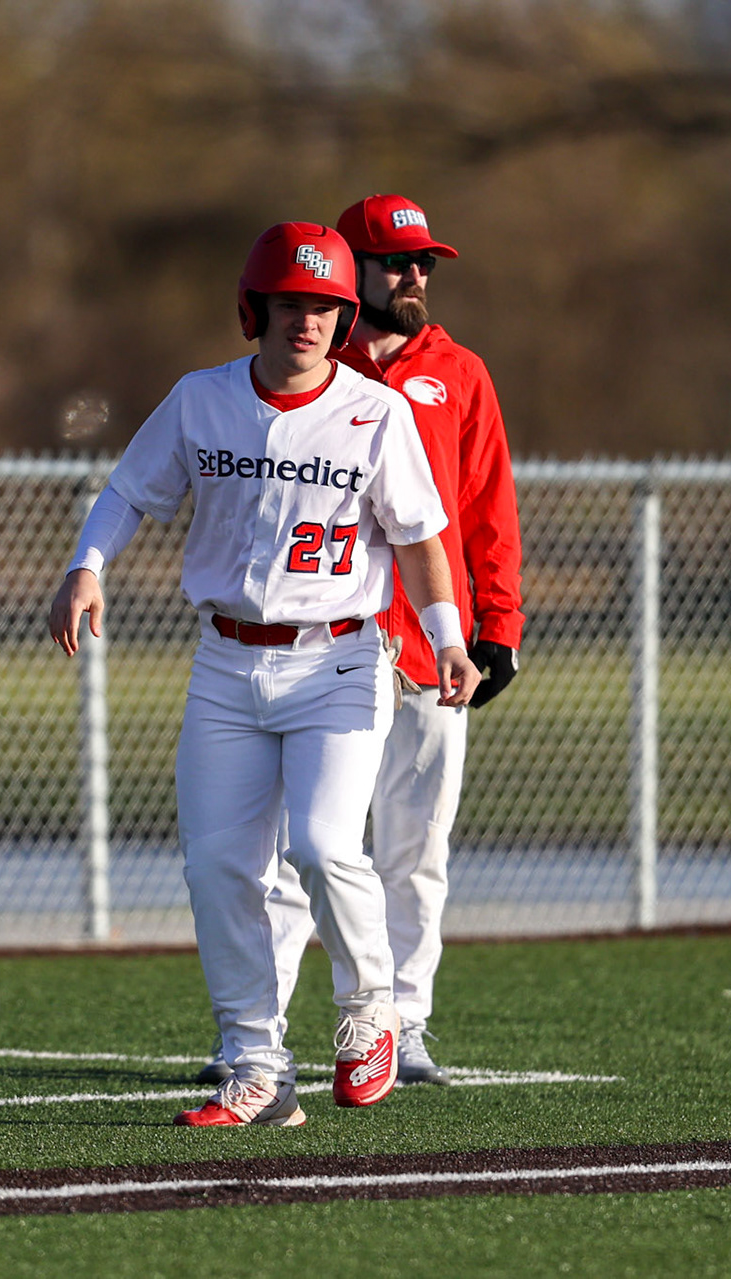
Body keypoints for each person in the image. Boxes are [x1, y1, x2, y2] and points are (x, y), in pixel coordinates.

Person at [49, 222, 480, 1127]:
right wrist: (87, 564)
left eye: (326, 306)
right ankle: (256, 1064)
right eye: (293, 304)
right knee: (217, 866)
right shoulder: (201, 400)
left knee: (325, 846)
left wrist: (446, 635)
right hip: (226, 662)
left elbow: (420, 537)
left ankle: (372, 1013)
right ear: (258, 308)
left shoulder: (377, 410)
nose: (310, 322)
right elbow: (130, 490)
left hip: (340, 658)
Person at [194, 195, 523, 1089]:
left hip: (423, 650)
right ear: (351, 270)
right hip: (318, 649)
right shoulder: (305, 360)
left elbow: (485, 509)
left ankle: (401, 1023)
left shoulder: (457, 371)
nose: (414, 277)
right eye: (395, 262)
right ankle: (259, 1038)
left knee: (414, 847)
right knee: (302, 851)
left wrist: (497, 626)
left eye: (424, 264)